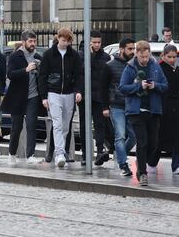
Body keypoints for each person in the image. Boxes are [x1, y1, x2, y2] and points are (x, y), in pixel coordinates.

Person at [119, 40, 168, 186]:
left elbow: (165, 85)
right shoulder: (130, 67)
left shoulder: (155, 67)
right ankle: (142, 172)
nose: (145, 60)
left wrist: (155, 86)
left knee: (153, 143)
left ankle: (141, 162)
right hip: (136, 111)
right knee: (142, 141)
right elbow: (122, 87)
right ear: (137, 54)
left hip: (153, 110)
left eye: (147, 56)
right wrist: (138, 86)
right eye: (142, 57)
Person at [39, 27, 83, 168]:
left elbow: (78, 75)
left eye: (67, 41)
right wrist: (44, 96)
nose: (65, 43)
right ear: (58, 38)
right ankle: (59, 154)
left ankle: (61, 151)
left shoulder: (74, 55)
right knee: (57, 123)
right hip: (53, 92)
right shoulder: (48, 54)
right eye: (63, 40)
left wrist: (78, 91)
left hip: (69, 93)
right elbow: (42, 76)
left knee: (65, 126)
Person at [2, 30, 43, 163]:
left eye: (34, 41)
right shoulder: (15, 56)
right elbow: (10, 74)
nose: (32, 44)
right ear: (24, 42)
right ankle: (12, 153)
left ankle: (30, 155)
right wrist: (26, 70)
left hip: (33, 95)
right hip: (18, 97)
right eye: (30, 41)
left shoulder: (38, 56)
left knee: (31, 125)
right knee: (17, 126)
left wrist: (39, 70)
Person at [100, 38, 137, 177]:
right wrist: (105, 107)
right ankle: (123, 164)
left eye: (133, 49)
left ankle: (119, 153)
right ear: (121, 49)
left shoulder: (135, 65)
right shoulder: (110, 65)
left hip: (132, 105)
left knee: (133, 136)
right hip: (116, 105)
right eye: (129, 49)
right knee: (120, 136)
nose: (132, 51)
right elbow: (103, 88)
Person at [78, 31, 112, 166]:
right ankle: (86, 155)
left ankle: (100, 151)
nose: (97, 45)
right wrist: (90, 55)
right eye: (94, 43)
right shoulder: (81, 55)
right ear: (89, 43)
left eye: (99, 42)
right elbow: (82, 71)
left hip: (99, 96)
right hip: (85, 96)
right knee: (84, 126)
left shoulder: (106, 57)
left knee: (100, 125)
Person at [157, 44, 179, 175]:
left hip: (176, 108)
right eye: (169, 57)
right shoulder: (158, 69)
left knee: (178, 138)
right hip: (162, 107)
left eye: (174, 57)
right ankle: (152, 162)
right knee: (159, 137)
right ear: (163, 56)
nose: (172, 59)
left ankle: (178, 165)